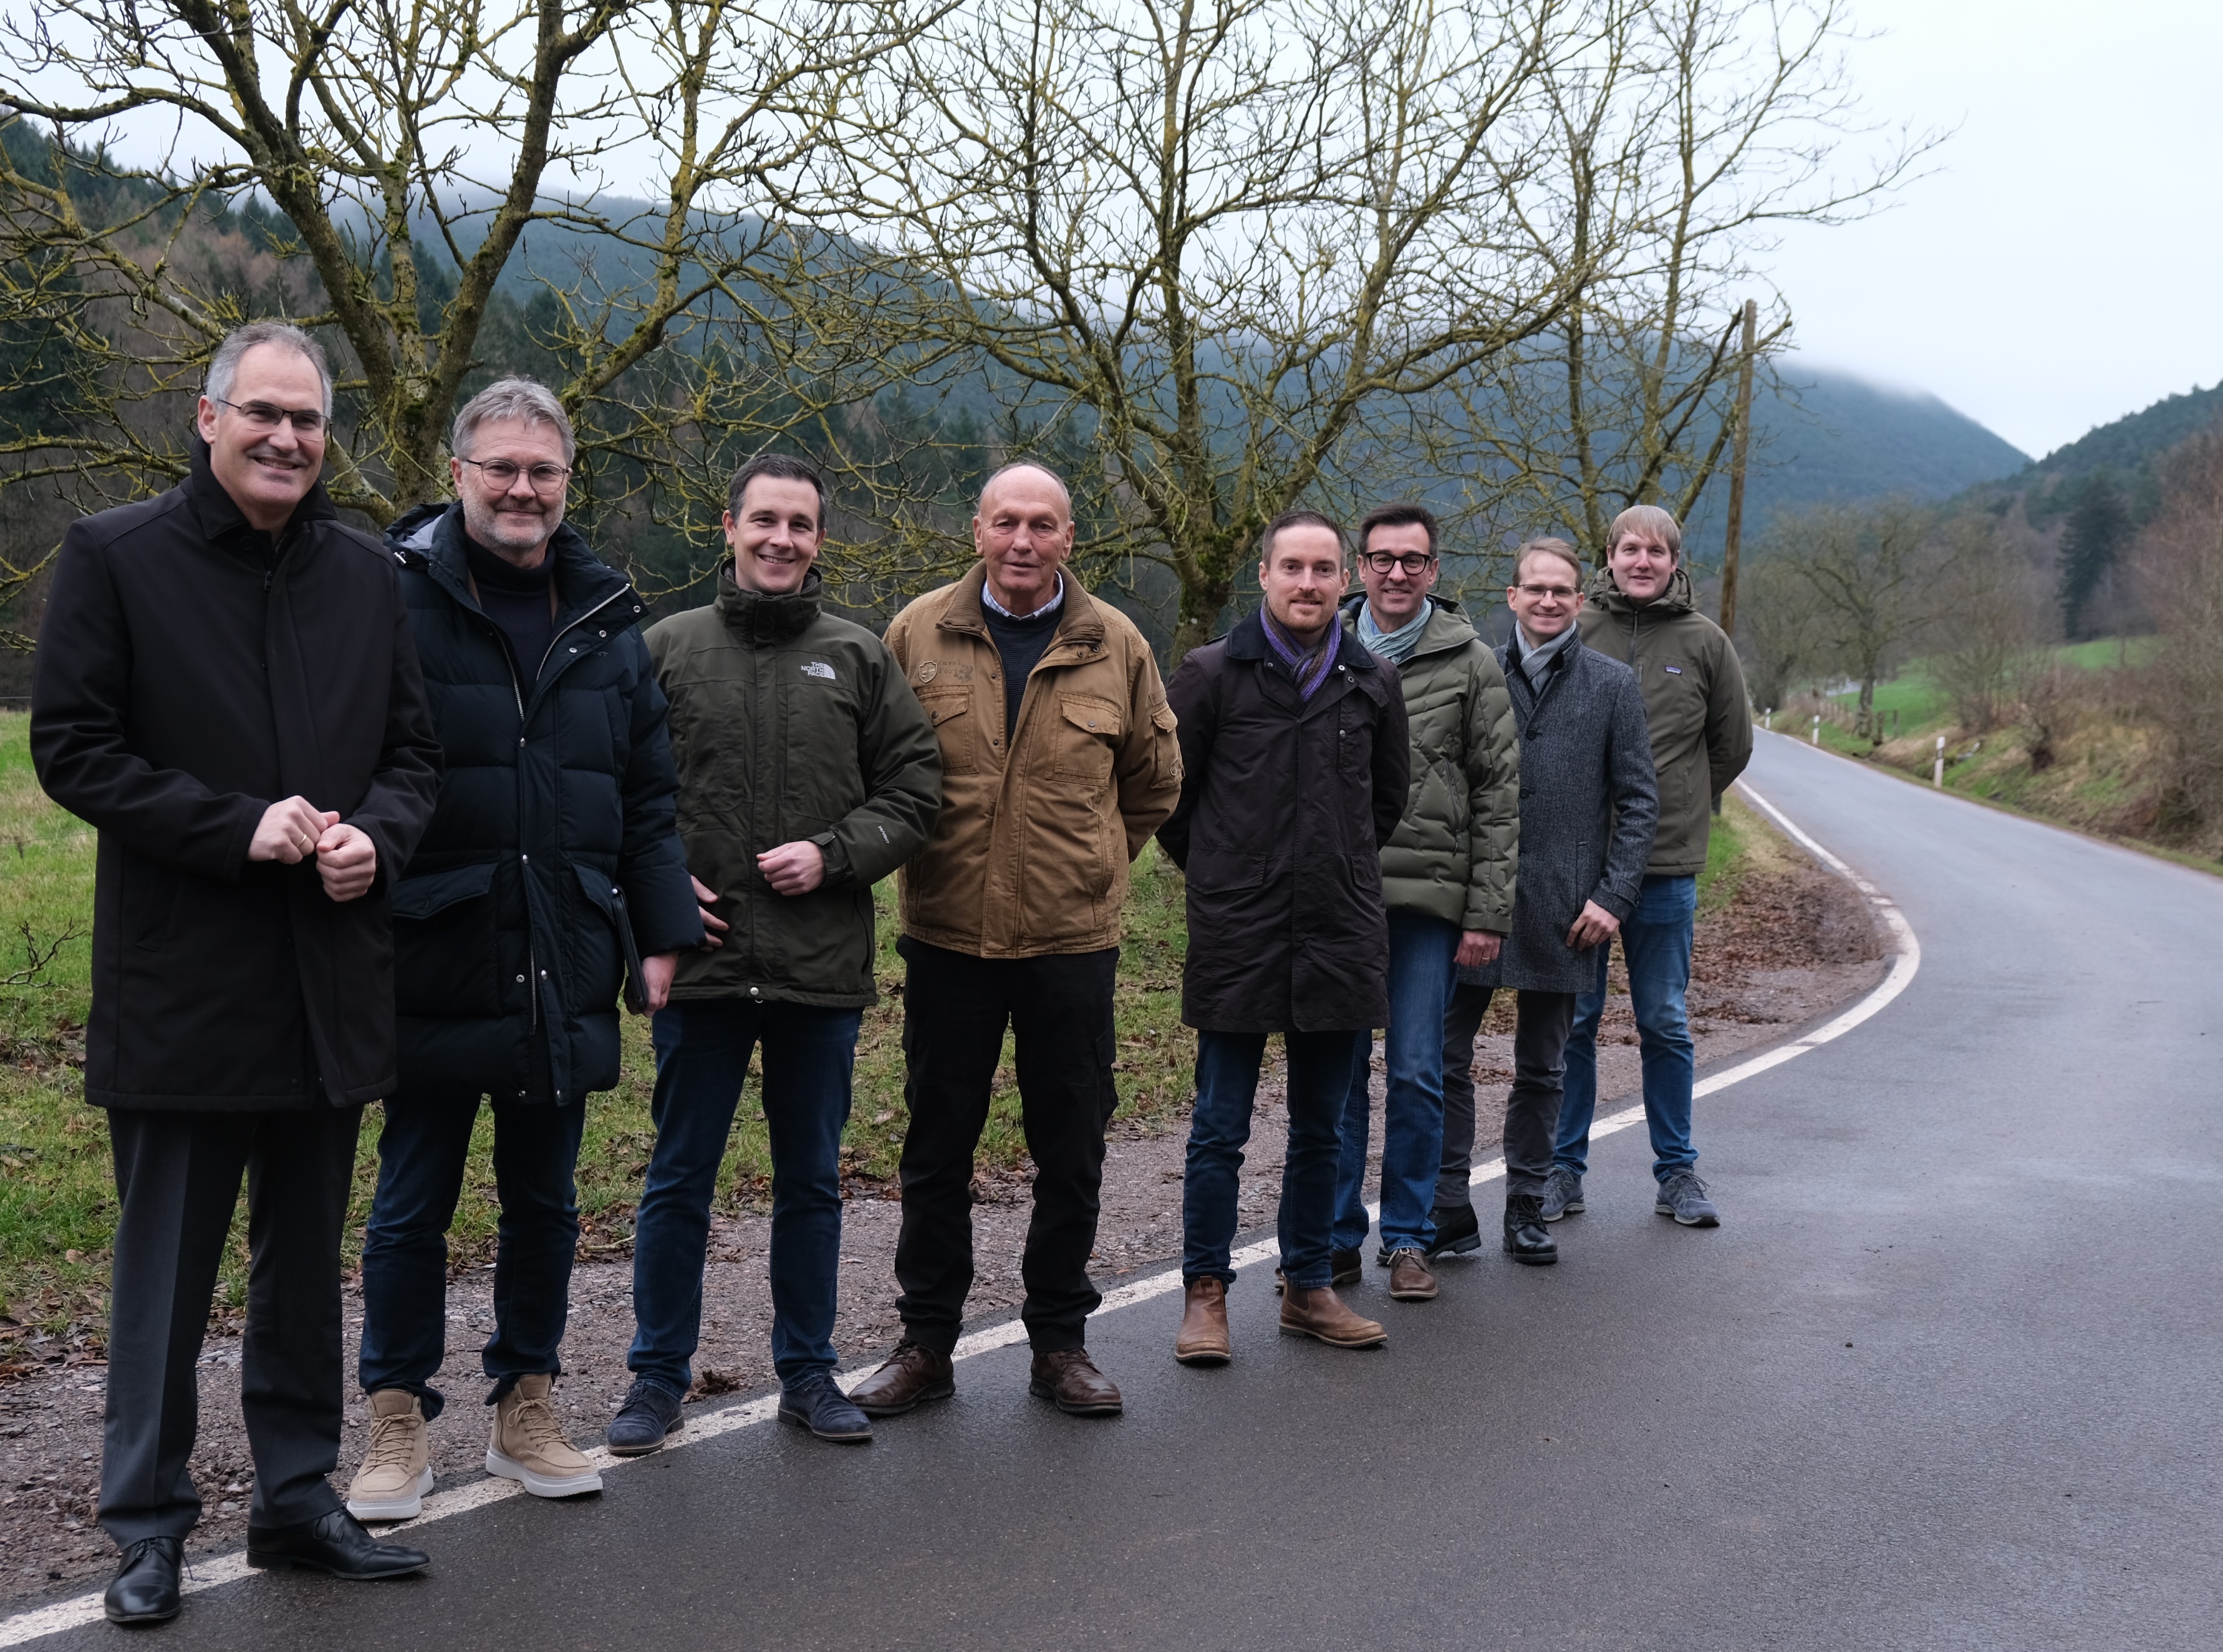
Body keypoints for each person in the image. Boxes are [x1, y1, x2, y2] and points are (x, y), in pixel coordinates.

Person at [31, 321, 443, 1624]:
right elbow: (73, 747)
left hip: (326, 980)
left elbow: (415, 758)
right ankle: (146, 1524)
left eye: (309, 420)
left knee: (300, 1262)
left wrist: (373, 837)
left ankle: (295, 1495)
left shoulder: (370, 576)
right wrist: (235, 826)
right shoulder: (116, 556)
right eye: (261, 413)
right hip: (184, 983)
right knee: (167, 1274)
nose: (285, 438)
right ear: (206, 420)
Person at [347, 379, 703, 1521]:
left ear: (568, 480)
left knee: (544, 1200)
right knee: (413, 1198)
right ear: (458, 474)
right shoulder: (388, 602)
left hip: (566, 947)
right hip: (434, 947)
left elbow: (647, 796)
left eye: (543, 470)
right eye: (500, 466)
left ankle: (527, 1403)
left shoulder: (607, 621)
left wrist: (661, 930)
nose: (521, 488)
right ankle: (396, 1417)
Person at [607, 455, 941, 1451]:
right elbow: (618, 790)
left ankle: (808, 1371)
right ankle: (655, 1380)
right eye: (764, 520)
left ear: (819, 540)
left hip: (816, 970)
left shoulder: (857, 657)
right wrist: (657, 891)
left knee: (811, 1181)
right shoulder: (664, 648)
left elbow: (918, 789)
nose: (780, 539)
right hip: (701, 965)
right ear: (730, 525)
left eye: (799, 524)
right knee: (679, 1180)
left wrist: (835, 855)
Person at [850, 461, 1181, 1419]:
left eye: (1042, 524)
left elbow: (1154, 780)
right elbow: (876, 765)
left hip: (1071, 942)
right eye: (1006, 522)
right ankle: (925, 1345)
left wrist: (1093, 861)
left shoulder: (1114, 642)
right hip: (948, 935)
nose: (1023, 540)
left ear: (1069, 537)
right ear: (978, 529)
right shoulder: (916, 633)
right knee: (936, 1147)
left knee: (1070, 1146)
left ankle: (1061, 1344)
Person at [1164, 509, 1410, 1366]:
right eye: (1293, 567)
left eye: (1324, 569)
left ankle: (1309, 1286)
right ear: (1263, 576)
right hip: (1238, 933)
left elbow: (1384, 805)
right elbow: (1171, 805)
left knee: (1324, 1130)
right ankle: (1205, 1295)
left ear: (1344, 581)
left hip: (1341, 933)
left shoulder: (1373, 683)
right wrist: (1231, 874)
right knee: (1218, 1128)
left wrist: (1330, 872)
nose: (1308, 583)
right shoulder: (1206, 677)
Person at [1435, 539, 1657, 1263]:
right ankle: (1447, 1208)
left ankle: (1526, 1205)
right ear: (1511, 596)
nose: (1548, 601)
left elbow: (1638, 800)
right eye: (1535, 589)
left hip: (1567, 915)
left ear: (1579, 600)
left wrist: (1613, 896)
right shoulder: (1473, 673)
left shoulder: (1612, 685)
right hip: (1471, 901)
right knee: (1441, 1059)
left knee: (1544, 1068)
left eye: (1561, 591)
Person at [1328, 504, 1518, 1305]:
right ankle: (1331, 1242)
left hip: (1428, 904)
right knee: (1334, 1079)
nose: (1396, 573)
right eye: (1381, 560)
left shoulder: (1471, 661)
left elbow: (1501, 793)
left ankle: (1407, 1238)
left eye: (1412, 561)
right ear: (1358, 569)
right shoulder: (1322, 651)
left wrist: (1487, 912)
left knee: (1414, 1072)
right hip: (1336, 898)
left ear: (1434, 572)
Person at [1551, 505, 1753, 1227]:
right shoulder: (1578, 629)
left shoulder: (1705, 642)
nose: (1642, 561)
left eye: (1656, 551)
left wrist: (1682, 806)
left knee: (1663, 1020)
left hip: (1665, 868)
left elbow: (1730, 747)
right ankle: (1561, 1171)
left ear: (1674, 561)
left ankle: (1678, 1175)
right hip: (1578, 865)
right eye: (1629, 549)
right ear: (1608, 557)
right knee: (1573, 1023)